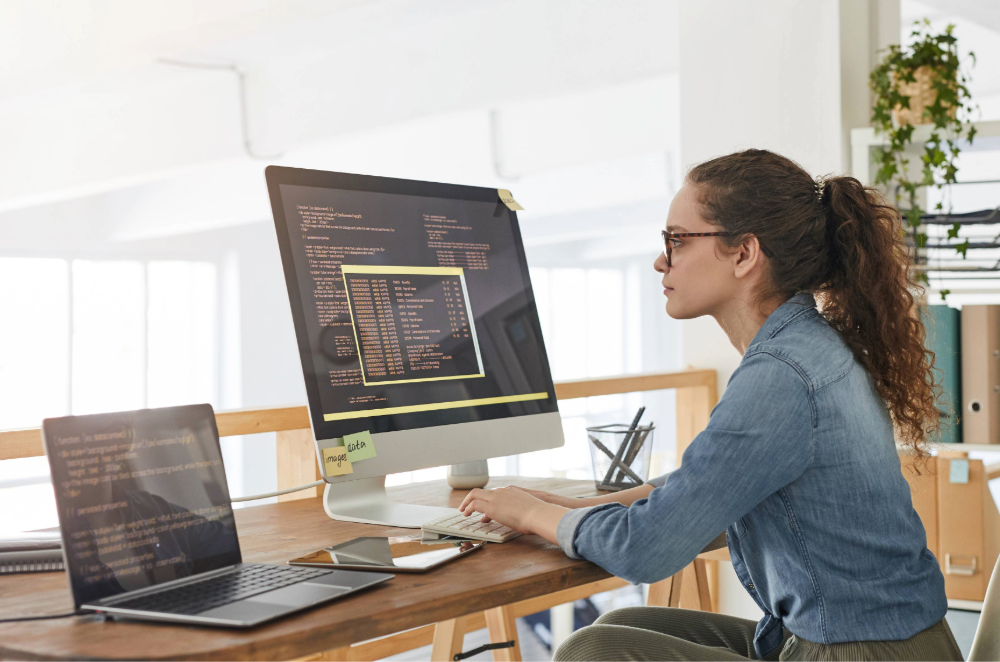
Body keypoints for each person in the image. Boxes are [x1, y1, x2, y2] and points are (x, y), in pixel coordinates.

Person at [459, 149, 962, 661]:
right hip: (873, 640)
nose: (661, 260)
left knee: (597, 651)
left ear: (744, 254)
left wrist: (531, 512)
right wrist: (579, 508)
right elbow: (710, 489)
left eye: (675, 241)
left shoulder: (782, 375)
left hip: (861, 653)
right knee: (621, 625)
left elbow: (646, 548)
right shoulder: (802, 347)